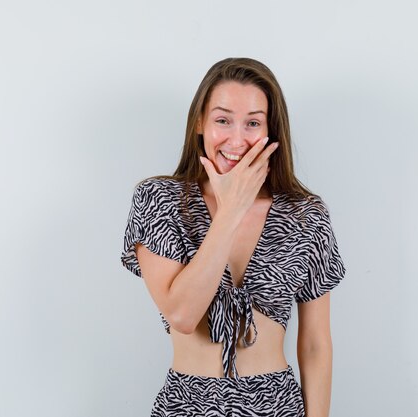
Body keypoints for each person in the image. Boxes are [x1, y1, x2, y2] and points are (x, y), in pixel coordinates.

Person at [120, 57, 346, 417]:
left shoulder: (305, 214)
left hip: (277, 405)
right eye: (223, 120)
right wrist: (232, 209)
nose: (237, 139)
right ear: (199, 122)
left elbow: (317, 343)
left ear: (271, 130)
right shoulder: (160, 200)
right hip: (187, 404)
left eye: (253, 123)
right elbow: (181, 314)